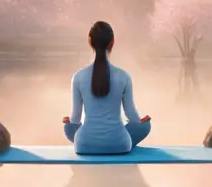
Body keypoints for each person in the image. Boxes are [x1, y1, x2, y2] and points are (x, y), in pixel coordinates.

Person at [62, 21, 152, 154]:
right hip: (119, 144)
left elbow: (75, 118)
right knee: (145, 126)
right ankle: (110, 142)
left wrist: (69, 123)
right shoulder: (124, 76)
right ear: (112, 42)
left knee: (68, 128)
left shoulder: (78, 77)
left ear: (90, 42)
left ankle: (92, 141)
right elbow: (131, 116)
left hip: (84, 144)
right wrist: (140, 122)